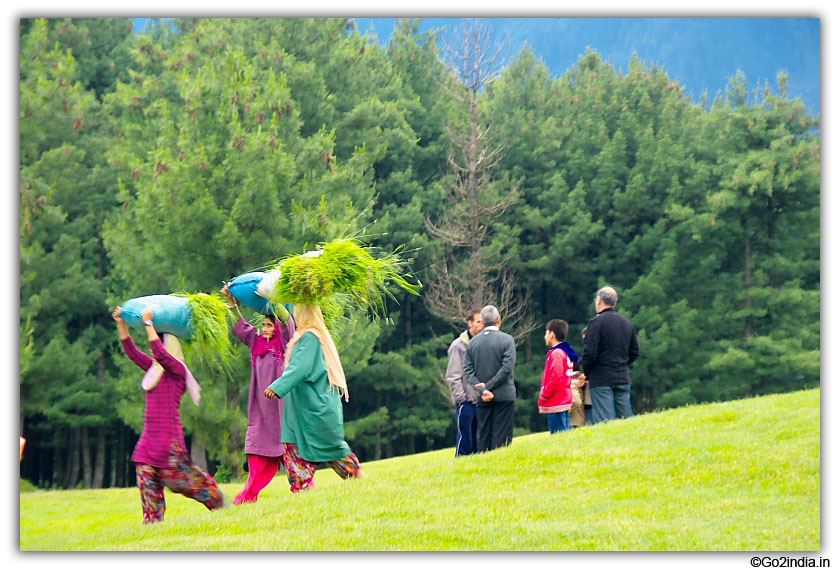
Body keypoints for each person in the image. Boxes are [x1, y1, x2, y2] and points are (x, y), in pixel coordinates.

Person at [113, 306, 224, 524]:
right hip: (148, 442)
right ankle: (153, 523)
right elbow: (132, 352)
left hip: (169, 443)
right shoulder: (153, 369)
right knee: (146, 479)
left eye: (160, 342)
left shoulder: (177, 370)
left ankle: (217, 501)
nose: (155, 347)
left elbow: (162, 356)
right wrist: (121, 323)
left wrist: (148, 324)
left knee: (184, 482)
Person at [263, 304, 367, 491]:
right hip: (306, 408)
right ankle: (303, 490)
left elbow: (300, 368)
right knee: (297, 449)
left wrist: (278, 386)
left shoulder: (310, 337)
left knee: (332, 451)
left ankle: (361, 482)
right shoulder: (308, 336)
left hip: (314, 408)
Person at [221, 285, 295, 505]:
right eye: (263, 324)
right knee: (257, 451)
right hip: (260, 410)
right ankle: (249, 494)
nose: (264, 328)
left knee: (289, 451)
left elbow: (288, 322)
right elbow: (241, 326)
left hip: (281, 409)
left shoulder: (284, 343)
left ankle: (303, 486)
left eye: (269, 325)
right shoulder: (256, 343)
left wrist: (274, 299)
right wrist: (232, 303)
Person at [581, 286, 640, 424]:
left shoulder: (596, 323)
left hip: (601, 378)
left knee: (605, 422)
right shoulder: (627, 323)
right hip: (622, 376)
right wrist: (622, 363)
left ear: (599, 301)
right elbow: (635, 352)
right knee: (626, 421)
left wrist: (587, 370)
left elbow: (589, 353)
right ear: (615, 303)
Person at [462, 305, 517, 452]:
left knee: (484, 436)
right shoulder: (507, 340)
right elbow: (506, 368)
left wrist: (483, 389)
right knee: (502, 438)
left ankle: (484, 467)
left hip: (482, 397)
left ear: (483, 322)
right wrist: (490, 386)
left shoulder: (472, 343)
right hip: (504, 395)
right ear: (499, 320)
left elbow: (467, 370)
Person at [445, 308, 485, 457]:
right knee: (465, 438)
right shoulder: (458, 346)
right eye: (478, 321)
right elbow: (453, 375)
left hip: (480, 400)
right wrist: (461, 399)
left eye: (484, 322)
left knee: (478, 438)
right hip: (466, 401)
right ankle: (461, 462)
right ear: (470, 323)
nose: (482, 325)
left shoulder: (483, 344)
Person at [538, 319, 576, 434]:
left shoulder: (557, 353)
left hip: (557, 401)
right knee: (565, 432)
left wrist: (544, 394)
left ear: (552, 335)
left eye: (546, 333)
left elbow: (556, 378)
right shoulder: (565, 352)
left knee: (559, 434)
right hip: (563, 399)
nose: (545, 336)